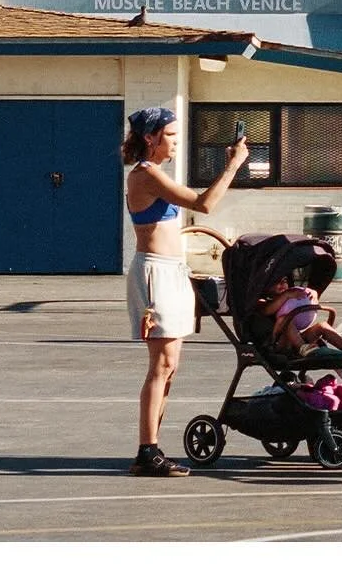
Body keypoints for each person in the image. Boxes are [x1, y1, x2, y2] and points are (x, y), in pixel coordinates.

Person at [122, 105, 249, 477]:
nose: (176, 142)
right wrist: (234, 165)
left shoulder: (155, 174)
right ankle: (147, 451)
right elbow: (204, 204)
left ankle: (152, 446)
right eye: (171, 135)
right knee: (160, 365)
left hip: (172, 272)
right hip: (155, 275)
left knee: (171, 366)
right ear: (151, 138)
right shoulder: (145, 175)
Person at [257, 277, 342, 360]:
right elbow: (267, 310)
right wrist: (286, 295)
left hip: (296, 339)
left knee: (321, 326)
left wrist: (312, 294)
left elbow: (307, 295)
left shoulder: (293, 295)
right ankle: (303, 347)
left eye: (284, 281)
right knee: (285, 319)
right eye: (277, 282)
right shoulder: (263, 301)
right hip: (277, 344)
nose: (282, 284)